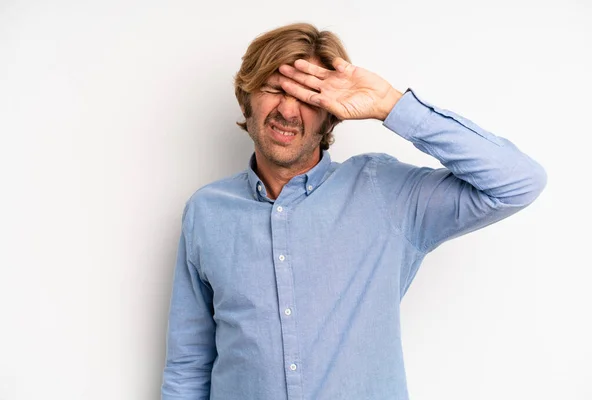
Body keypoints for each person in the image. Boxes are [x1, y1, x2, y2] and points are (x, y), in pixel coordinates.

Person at [160, 23, 546, 400]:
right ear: (247, 97)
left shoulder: (385, 192)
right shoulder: (206, 212)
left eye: (311, 97)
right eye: (275, 88)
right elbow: (189, 363)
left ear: (330, 113)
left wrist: (392, 105)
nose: (288, 110)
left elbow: (518, 182)